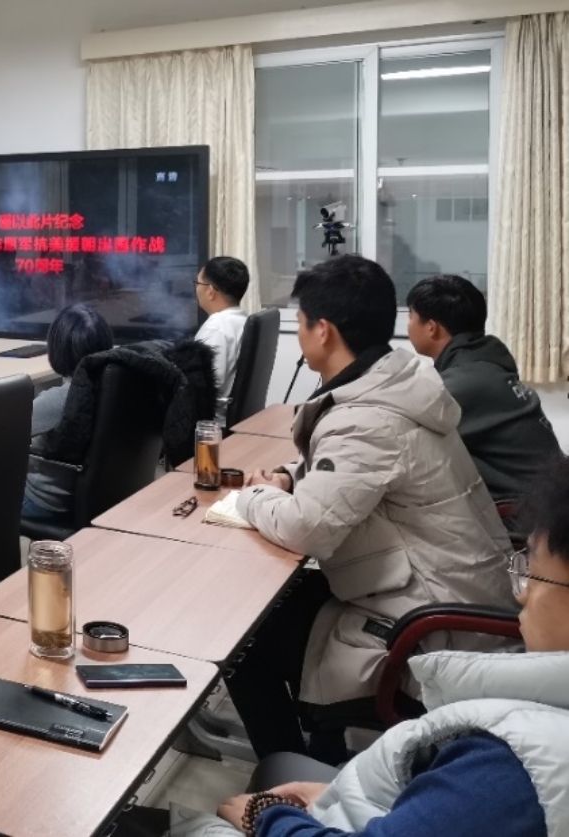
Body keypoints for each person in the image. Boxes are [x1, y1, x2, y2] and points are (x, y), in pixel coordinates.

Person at [168, 457, 569, 837]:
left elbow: (306, 523)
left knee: (257, 632)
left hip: (420, 622)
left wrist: (269, 817)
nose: (521, 593)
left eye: (534, 575)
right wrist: (345, 792)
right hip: (428, 614)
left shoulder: (511, 768)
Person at [229, 255, 517, 763]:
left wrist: (250, 496)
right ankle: (322, 743)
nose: (301, 333)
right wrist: (290, 477)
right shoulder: (396, 382)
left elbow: (306, 528)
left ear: (323, 331)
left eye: (302, 323)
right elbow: (361, 471)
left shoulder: (366, 420)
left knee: (245, 642)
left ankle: (291, 772)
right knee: (280, 602)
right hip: (450, 591)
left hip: (429, 628)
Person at [405, 274, 562, 507]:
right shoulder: (489, 367)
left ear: (431, 328)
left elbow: (400, 445)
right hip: (548, 506)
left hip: (523, 520)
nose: (408, 324)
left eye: (410, 316)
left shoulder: (457, 386)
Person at [21, 304, 113, 522]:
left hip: (47, 503)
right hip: (104, 497)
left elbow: (1, 437)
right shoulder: (115, 389)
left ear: (56, 349)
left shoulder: (57, 401)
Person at [193, 256, 250, 424]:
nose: (196, 289)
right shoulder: (243, 320)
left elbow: (201, 391)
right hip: (236, 421)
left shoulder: (215, 329)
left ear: (210, 291)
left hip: (211, 427)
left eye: (198, 283)